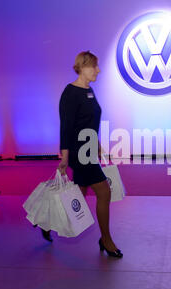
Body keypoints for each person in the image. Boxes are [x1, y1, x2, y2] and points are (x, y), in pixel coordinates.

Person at [47, 51, 122, 258]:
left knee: (77, 195)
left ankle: (46, 223)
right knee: (104, 192)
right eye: (94, 66)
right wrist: (64, 156)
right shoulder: (70, 92)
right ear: (82, 67)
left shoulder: (89, 91)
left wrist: (97, 143)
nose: (98, 70)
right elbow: (66, 127)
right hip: (79, 152)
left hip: (89, 149)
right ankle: (106, 240)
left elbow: (89, 122)